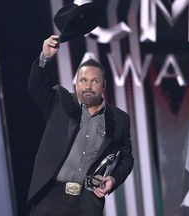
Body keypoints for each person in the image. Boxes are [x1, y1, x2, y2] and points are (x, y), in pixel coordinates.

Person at [27, 35, 134, 216]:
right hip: (50, 197)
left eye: (94, 81)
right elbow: (35, 86)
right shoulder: (60, 102)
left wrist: (114, 180)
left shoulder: (119, 119)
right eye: (83, 80)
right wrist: (45, 57)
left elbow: (127, 159)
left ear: (104, 86)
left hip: (87, 201)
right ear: (76, 83)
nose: (88, 86)